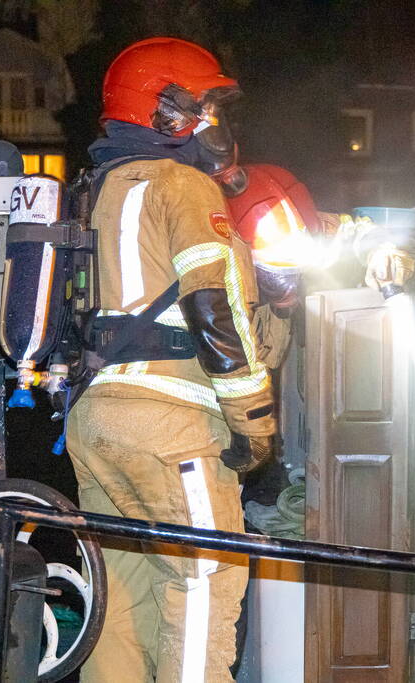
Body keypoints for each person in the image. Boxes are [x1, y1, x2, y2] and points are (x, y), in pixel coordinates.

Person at [66, 38, 275, 682]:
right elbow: (213, 306)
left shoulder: (93, 189)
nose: (218, 124)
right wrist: (254, 419)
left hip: (92, 417)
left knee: (119, 586)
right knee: (208, 573)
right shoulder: (182, 186)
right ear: (167, 112)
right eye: (207, 107)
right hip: (170, 424)